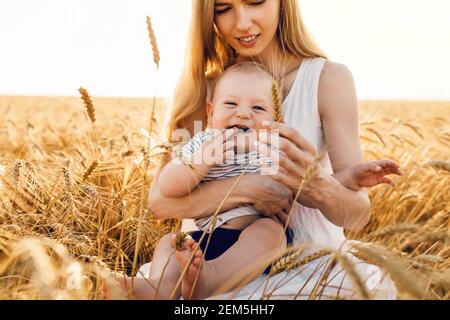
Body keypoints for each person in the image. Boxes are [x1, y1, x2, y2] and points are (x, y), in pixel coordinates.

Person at [125, 0, 401, 300]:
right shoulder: (205, 88)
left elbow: (357, 216)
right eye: (223, 8)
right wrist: (248, 188)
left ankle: (205, 281)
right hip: (197, 257)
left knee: (269, 237)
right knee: (171, 243)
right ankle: (177, 283)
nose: (242, 23)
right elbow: (161, 202)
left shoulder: (326, 80)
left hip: (303, 268)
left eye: (255, 2)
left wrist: (320, 184)